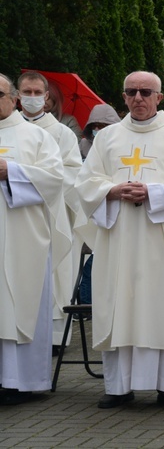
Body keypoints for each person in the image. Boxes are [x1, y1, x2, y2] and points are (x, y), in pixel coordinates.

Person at [74, 71, 164, 410]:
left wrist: (153, 192)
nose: (138, 98)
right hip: (119, 238)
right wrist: (113, 190)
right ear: (123, 96)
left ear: (160, 97)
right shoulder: (107, 138)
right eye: (131, 91)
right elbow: (86, 182)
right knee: (120, 304)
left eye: (146, 92)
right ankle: (118, 388)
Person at [0, 73, 69, 405]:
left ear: (12, 99)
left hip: (23, 237)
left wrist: (10, 171)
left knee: (20, 303)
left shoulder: (36, 137)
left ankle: (21, 381)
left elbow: (56, 180)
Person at [17, 71, 82, 352]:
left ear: (46, 98)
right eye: (26, 92)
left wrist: (39, 182)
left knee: (53, 275)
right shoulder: (7, 130)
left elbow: (73, 174)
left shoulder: (61, 133)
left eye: (36, 93)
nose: (31, 98)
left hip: (52, 215)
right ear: (17, 97)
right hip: (14, 216)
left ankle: (54, 337)